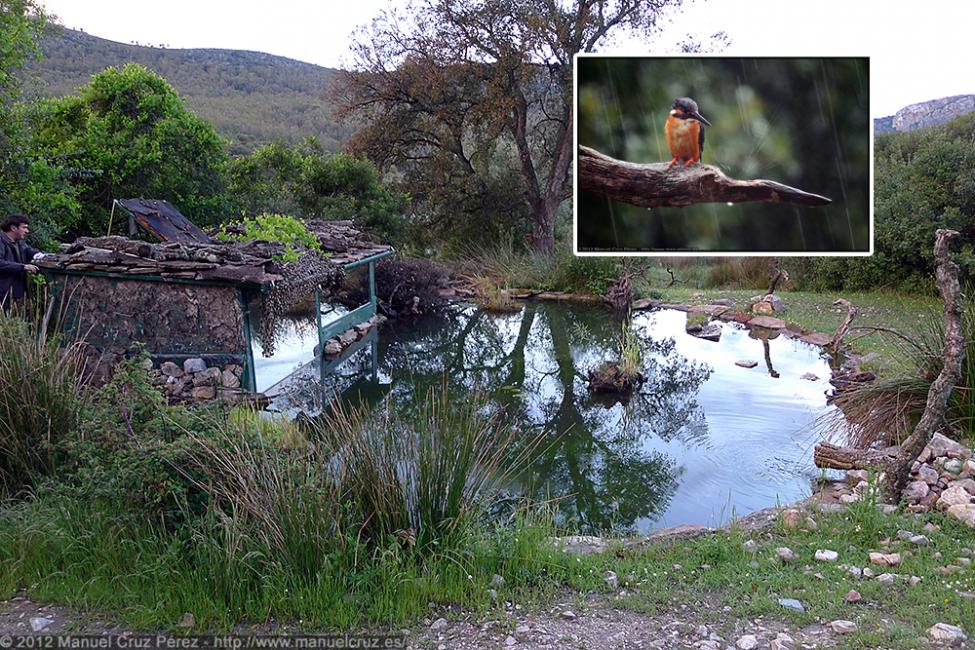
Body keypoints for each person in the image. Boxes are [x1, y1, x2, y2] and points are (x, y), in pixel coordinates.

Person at [0, 215, 43, 312]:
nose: (27, 231)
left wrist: (41, 255)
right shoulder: (1, 242)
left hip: (16, 292)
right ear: (13, 228)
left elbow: (29, 251)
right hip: (3, 293)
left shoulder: (20, 242)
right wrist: (23, 267)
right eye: (24, 227)